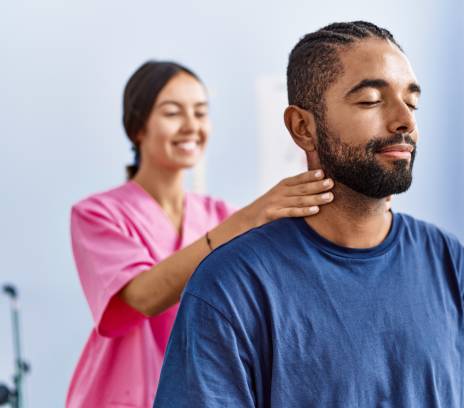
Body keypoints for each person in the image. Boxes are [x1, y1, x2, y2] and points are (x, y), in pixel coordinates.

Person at [154, 21, 464, 407]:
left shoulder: (450, 262)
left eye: (412, 102)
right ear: (303, 128)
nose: (405, 121)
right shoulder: (231, 285)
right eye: (371, 101)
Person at [66, 61, 337, 407]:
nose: (191, 126)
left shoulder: (220, 215)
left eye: (200, 112)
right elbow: (143, 297)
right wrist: (251, 216)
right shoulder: (97, 215)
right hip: (124, 396)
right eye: (172, 112)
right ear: (138, 127)